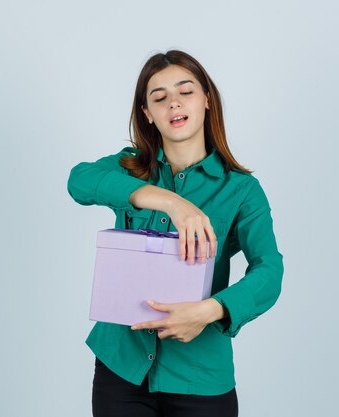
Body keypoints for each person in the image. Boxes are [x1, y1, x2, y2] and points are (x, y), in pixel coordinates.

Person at [66, 49, 284, 417]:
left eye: (185, 91)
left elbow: (269, 269)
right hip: (120, 369)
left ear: (206, 100)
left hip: (200, 377)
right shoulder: (130, 168)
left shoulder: (242, 190)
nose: (174, 104)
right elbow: (79, 181)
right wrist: (167, 201)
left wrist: (209, 311)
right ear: (148, 115)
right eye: (159, 97)